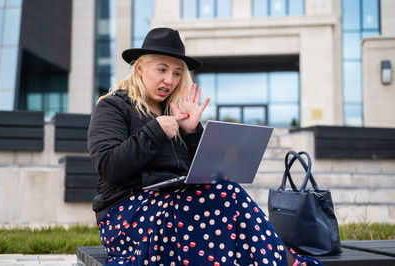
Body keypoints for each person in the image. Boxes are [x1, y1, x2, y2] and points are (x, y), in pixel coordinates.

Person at [87, 27, 322, 266]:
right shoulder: (113, 107)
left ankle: (281, 260)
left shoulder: (175, 112)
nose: (169, 80)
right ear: (140, 68)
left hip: (178, 206)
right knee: (225, 199)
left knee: (226, 192)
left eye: (177, 73)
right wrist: (154, 132)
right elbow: (108, 167)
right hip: (127, 214)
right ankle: (287, 261)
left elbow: (199, 173)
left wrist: (192, 132)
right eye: (162, 69)